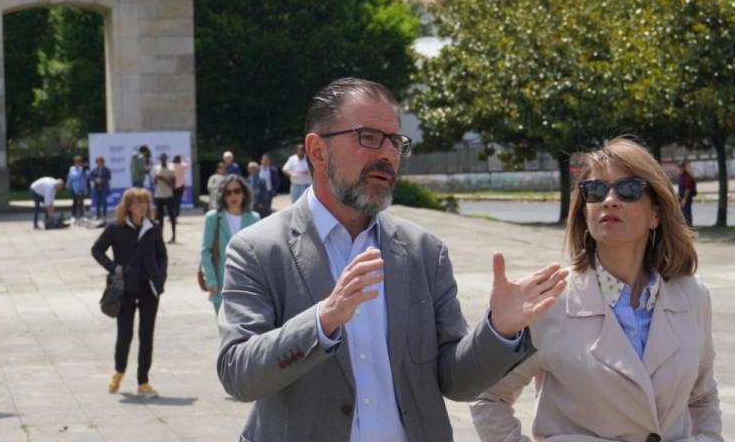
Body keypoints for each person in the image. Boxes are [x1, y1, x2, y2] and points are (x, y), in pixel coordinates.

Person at [216, 78, 568, 441]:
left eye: (395, 141)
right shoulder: (258, 249)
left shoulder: (424, 251)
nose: (387, 154)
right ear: (317, 151)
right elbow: (238, 374)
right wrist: (322, 321)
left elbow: (455, 382)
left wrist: (498, 330)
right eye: (368, 137)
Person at [470, 138, 721, 442]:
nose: (610, 200)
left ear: (656, 212)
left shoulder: (693, 297)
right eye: (596, 191)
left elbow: (703, 396)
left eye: (629, 189)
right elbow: (489, 397)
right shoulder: (549, 302)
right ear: (585, 212)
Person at [91, 188, 168, 398]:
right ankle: (118, 371)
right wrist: (113, 267)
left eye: (144, 202)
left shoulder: (153, 228)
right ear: (127, 206)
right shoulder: (116, 228)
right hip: (124, 289)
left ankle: (143, 381)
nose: (141, 206)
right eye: (137, 202)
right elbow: (96, 249)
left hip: (148, 289)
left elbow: (162, 256)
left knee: (146, 335)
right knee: (124, 334)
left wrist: (159, 279)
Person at [202, 175, 259, 315]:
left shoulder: (254, 218)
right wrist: (211, 280)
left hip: (250, 286)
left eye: (237, 191)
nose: (233, 195)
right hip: (222, 284)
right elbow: (206, 251)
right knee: (226, 333)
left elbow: (261, 253)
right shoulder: (213, 218)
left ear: (244, 193)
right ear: (222, 196)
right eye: (228, 192)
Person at [152, 154, 176, 243]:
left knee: (171, 215)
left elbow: (173, 185)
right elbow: (154, 183)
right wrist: (155, 179)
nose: (162, 161)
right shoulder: (156, 168)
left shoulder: (171, 169)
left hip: (168, 195)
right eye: (161, 159)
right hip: (158, 195)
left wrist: (163, 178)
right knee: (160, 218)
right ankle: (160, 237)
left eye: (164, 159)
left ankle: (174, 236)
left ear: (166, 159)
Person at [169, 155, 190, 230]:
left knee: (171, 202)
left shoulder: (171, 165)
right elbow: (189, 164)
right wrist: (185, 158)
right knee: (177, 202)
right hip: (180, 186)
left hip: (172, 186)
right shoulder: (182, 165)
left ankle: (171, 216)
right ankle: (176, 217)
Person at [67, 156, 90, 220]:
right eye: (76, 162)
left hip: (82, 188)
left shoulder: (82, 168)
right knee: (75, 202)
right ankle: (73, 215)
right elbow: (74, 176)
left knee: (81, 202)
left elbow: (87, 177)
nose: (77, 163)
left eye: (79, 162)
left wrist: (85, 171)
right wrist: (81, 171)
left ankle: (82, 215)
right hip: (75, 188)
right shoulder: (72, 168)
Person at [678, 160, 697, 227]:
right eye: (679, 167)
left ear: (683, 168)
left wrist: (684, 200)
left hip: (686, 199)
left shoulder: (686, 177)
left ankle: (689, 229)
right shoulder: (682, 176)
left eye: (680, 167)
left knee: (687, 215)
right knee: (683, 215)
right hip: (682, 199)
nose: (679, 169)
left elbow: (687, 189)